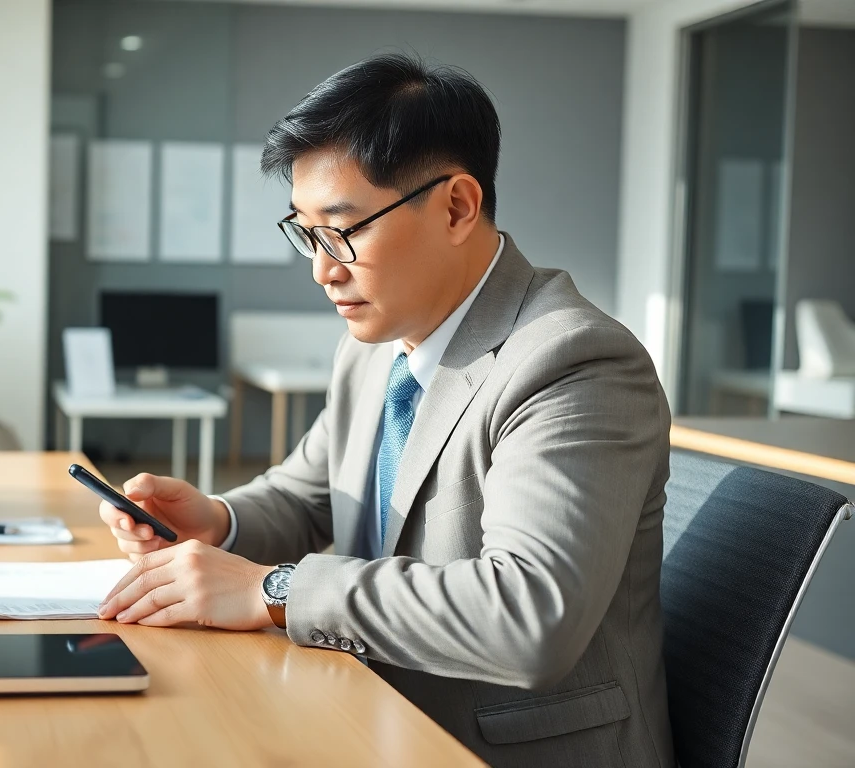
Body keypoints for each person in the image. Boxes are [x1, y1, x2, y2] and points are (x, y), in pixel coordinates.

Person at [96, 53, 673, 766]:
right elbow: (310, 495)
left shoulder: (573, 362)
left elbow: (530, 617)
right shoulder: (372, 348)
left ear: (456, 206)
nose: (322, 268)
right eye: (306, 232)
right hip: (368, 714)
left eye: (343, 229)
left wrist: (275, 590)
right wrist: (216, 521)